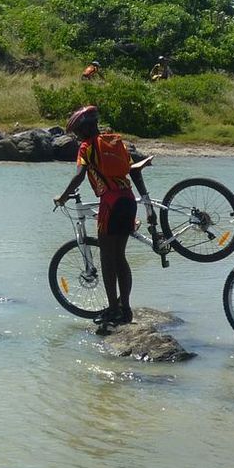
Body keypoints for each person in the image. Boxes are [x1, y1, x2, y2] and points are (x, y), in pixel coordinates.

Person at [53, 105, 155, 333]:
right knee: (120, 257)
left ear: (81, 130)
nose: (77, 136)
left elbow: (79, 176)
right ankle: (125, 309)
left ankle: (113, 309)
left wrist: (62, 196)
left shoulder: (86, 148)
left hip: (111, 203)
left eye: (76, 132)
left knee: (108, 259)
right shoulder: (113, 143)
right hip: (128, 200)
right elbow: (128, 168)